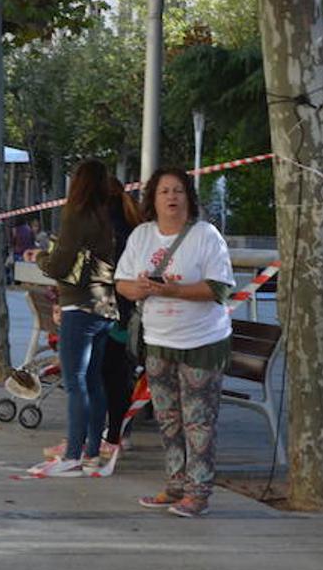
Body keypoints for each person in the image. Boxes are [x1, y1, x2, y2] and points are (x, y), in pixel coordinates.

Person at [115, 168, 235, 519]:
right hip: (158, 341)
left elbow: (219, 289)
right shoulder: (141, 236)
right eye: (164, 191)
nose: (171, 197)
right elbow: (122, 282)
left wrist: (173, 290)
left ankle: (199, 492)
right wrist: (138, 288)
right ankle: (175, 484)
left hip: (202, 341)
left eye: (178, 191)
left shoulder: (206, 236)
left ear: (189, 198)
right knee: (168, 419)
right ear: (152, 199)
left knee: (198, 420)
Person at [28, 160, 120, 476]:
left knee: (74, 381)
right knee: (94, 381)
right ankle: (93, 449)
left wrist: (39, 257)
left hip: (78, 306)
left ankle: (73, 453)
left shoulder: (75, 215)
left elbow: (59, 264)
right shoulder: (106, 217)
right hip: (105, 305)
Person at [103, 177, 146, 452]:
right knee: (119, 375)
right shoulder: (133, 225)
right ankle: (120, 431)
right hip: (129, 313)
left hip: (111, 311)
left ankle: (113, 435)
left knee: (109, 376)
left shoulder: (107, 227)